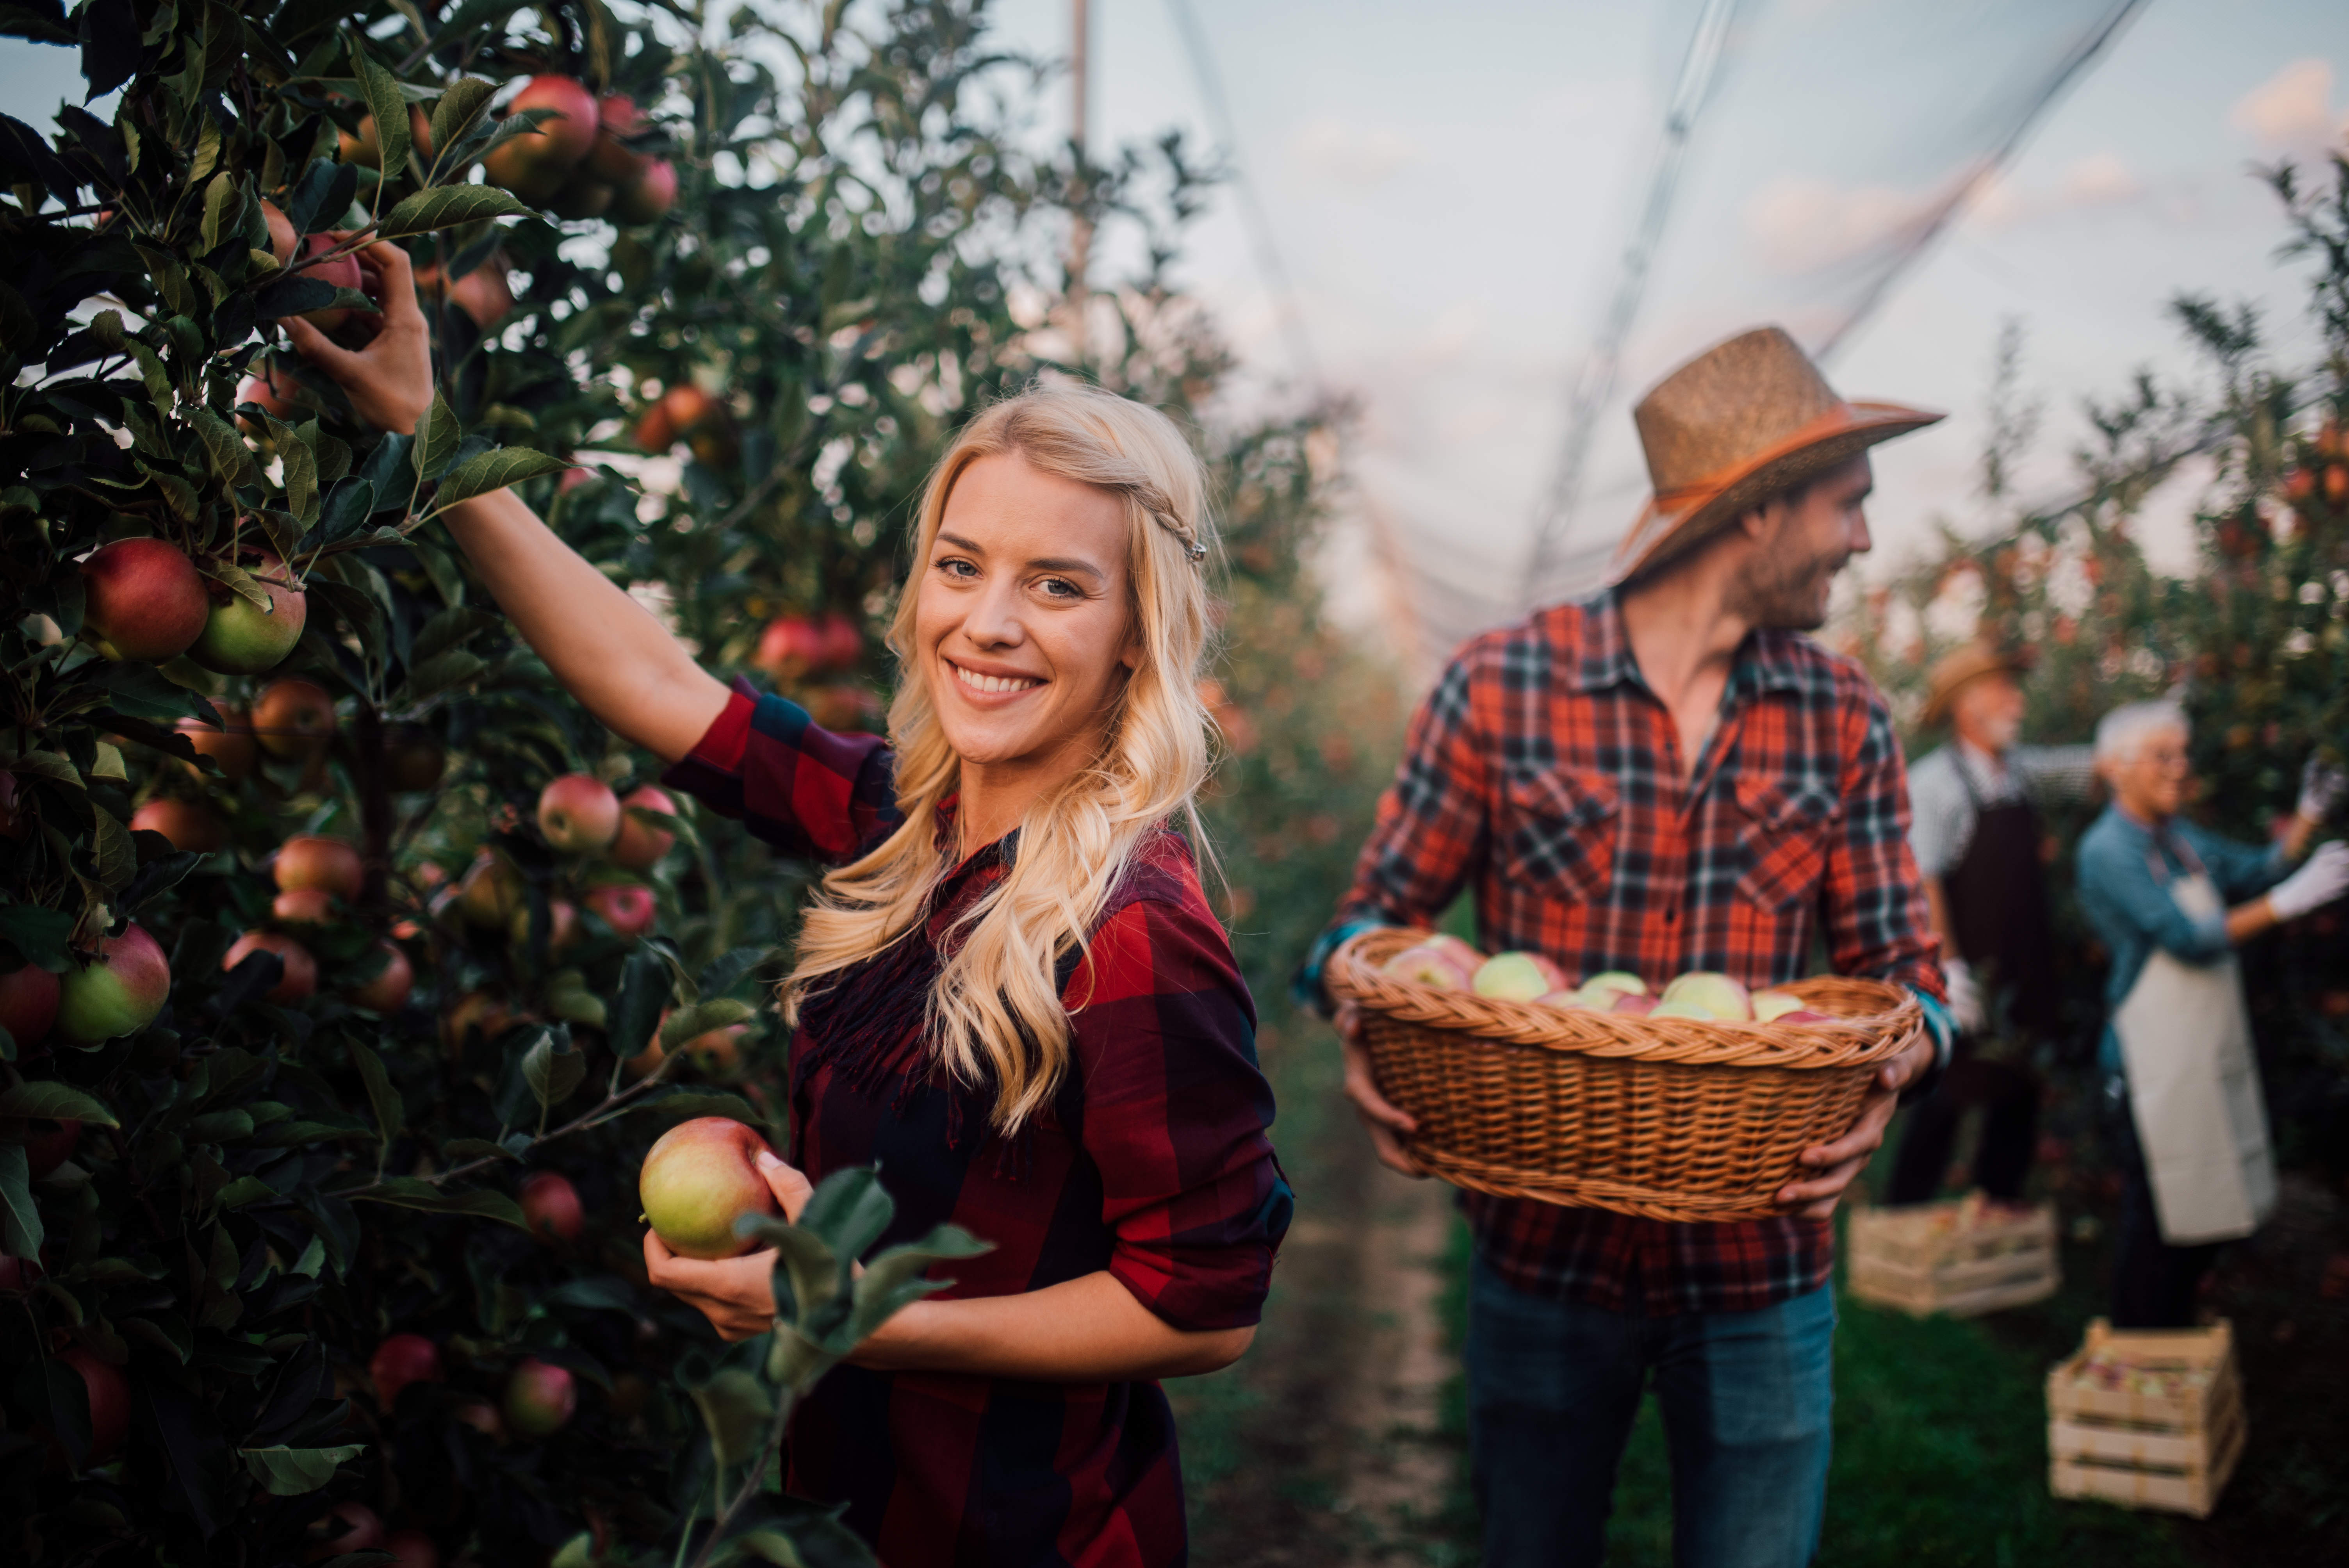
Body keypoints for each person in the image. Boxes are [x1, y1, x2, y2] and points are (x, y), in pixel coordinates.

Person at [285, 237, 1292, 1567]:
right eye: (960, 565)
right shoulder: (901, 821)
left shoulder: (1129, 929)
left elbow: (1204, 1309)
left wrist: (854, 1317)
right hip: (847, 1516)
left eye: (1057, 585)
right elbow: (656, 682)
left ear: (1135, 634)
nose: (988, 623)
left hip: (1026, 1536)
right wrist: (431, 438)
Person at [1299, 326, 1955, 1568]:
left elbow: (1908, 975)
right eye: (1848, 503)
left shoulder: (1845, 717)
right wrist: (1359, 1007)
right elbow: (1369, 920)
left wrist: (1902, 1064)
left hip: (1763, 1260)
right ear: (1760, 510)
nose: (1865, 539)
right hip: (1543, 1256)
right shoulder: (1501, 687)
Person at [2076, 701, 2345, 1329]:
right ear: (2118, 768)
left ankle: (2170, 1344)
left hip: (2194, 1054)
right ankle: (2138, 1347)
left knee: (2199, 1215)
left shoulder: (2178, 837)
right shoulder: (2108, 850)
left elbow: (2254, 870)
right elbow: (2188, 938)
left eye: (2182, 754)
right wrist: (2287, 903)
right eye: (2162, 756)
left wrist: (2307, 818)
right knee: (2158, 1221)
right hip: (2146, 1064)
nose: (2180, 767)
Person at [1885, 641, 2096, 1208]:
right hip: (1971, 972)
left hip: (2025, 967)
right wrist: (1950, 969)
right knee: (1947, 1092)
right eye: (2003, 690)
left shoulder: (2021, 772)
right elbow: (1925, 881)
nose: (2017, 702)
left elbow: (2088, 769)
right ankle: (1903, 1214)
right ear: (1966, 705)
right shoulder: (1935, 784)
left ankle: (1998, 1211)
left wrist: (2137, 750)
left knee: (2020, 1086)